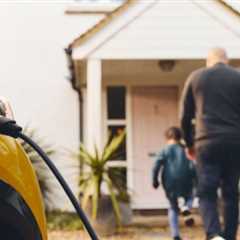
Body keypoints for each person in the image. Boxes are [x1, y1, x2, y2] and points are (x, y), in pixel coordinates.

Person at [180, 47, 240, 240]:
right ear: (226, 60)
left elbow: (185, 116)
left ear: (208, 61)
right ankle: (229, 236)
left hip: (206, 142)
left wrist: (189, 143)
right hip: (234, 142)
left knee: (206, 191)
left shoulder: (196, 77)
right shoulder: (238, 78)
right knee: (231, 191)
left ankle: (214, 234)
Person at [152, 127, 196, 240]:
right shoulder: (185, 149)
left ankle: (175, 235)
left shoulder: (165, 150)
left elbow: (156, 166)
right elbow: (193, 164)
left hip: (169, 181)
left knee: (172, 207)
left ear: (167, 138)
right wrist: (196, 179)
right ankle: (186, 206)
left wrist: (155, 180)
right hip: (186, 179)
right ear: (180, 137)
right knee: (190, 196)